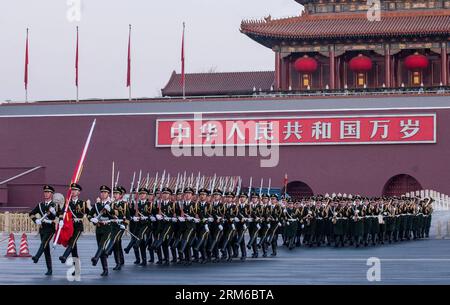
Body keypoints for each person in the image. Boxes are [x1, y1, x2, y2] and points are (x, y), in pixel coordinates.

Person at [29, 185, 61, 275]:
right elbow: (31, 214)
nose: (46, 194)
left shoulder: (55, 205)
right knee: (46, 249)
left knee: (43, 243)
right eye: (45, 192)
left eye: (48, 192)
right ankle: (49, 269)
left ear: (51, 194)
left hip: (50, 228)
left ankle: (37, 257)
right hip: (42, 228)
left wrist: (54, 212)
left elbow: (60, 215)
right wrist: (36, 220)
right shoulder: (40, 205)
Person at [58, 183, 88, 272]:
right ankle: (77, 269)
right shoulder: (68, 203)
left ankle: (64, 256)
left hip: (78, 226)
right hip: (70, 226)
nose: (73, 192)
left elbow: (90, 213)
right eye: (72, 190)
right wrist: (60, 220)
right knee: (74, 249)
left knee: (72, 242)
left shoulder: (83, 203)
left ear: (79, 192)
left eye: (75, 190)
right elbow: (62, 212)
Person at [88, 185, 114, 276]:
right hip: (99, 228)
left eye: (105, 192)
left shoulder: (111, 204)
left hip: (108, 228)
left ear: (108, 194)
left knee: (102, 245)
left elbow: (114, 217)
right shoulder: (96, 205)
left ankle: (95, 258)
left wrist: (110, 211)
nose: (103, 194)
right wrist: (92, 219)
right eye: (102, 192)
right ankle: (105, 269)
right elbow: (89, 215)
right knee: (101, 247)